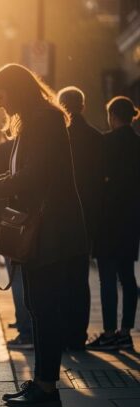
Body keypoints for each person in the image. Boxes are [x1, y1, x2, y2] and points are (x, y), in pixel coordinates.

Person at [0, 64, 88, 407]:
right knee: (39, 306)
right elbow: (21, 172)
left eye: (0, 95)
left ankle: (47, 387)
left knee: (45, 307)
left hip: (53, 231)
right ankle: (42, 381)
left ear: (15, 89)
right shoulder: (32, 121)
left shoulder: (45, 120)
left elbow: (33, 176)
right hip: (44, 229)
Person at [87, 96, 140, 351]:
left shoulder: (105, 143)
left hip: (107, 219)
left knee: (107, 278)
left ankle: (108, 332)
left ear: (112, 116)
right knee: (128, 277)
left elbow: (96, 181)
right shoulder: (137, 143)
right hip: (130, 220)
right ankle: (126, 331)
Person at [56, 86, 104, 350]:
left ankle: (63, 331)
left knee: (60, 276)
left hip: (61, 215)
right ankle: (78, 334)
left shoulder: (59, 137)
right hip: (88, 216)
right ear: (83, 106)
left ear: (62, 106)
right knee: (80, 277)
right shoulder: (97, 138)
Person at [0, 138, 33, 350]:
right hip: (33, 222)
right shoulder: (37, 144)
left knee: (16, 278)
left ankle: (25, 331)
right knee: (30, 280)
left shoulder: (3, 148)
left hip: (11, 222)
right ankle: (31, 327)